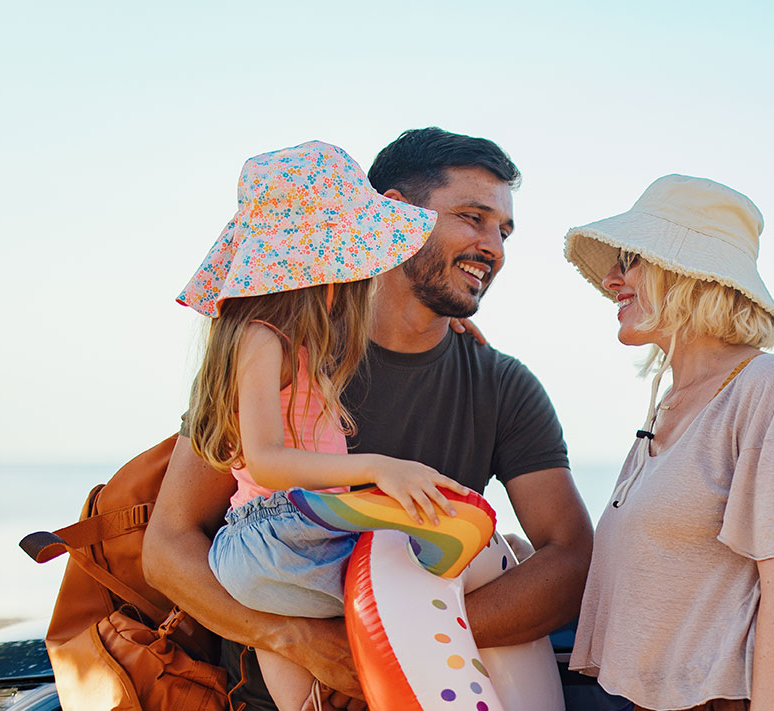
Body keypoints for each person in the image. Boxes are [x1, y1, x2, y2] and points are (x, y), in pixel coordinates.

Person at [143, 128, 594, 711]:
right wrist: (296, 639)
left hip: (424, 690)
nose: (494, 246)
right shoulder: (284, 351)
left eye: (503, 230)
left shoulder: (501, 383)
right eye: (473, 217)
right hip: (264, 694)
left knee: (504, 548)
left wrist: (395, 647)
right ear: (397, 217)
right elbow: (168, 545)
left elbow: (569, 558)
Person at [174, 140, 480, 711]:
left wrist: (451, 327)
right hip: (278, 535)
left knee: (306, 694)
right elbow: (264, 459)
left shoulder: (307, 343)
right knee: (455, 561)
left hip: (267, 550)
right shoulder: (264, 337)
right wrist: (377, 467)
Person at [563, 175, 774, 711]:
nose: (612, 279)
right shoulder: (672, 404)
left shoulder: (771, 386)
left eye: (631, 259)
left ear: (688, 275)